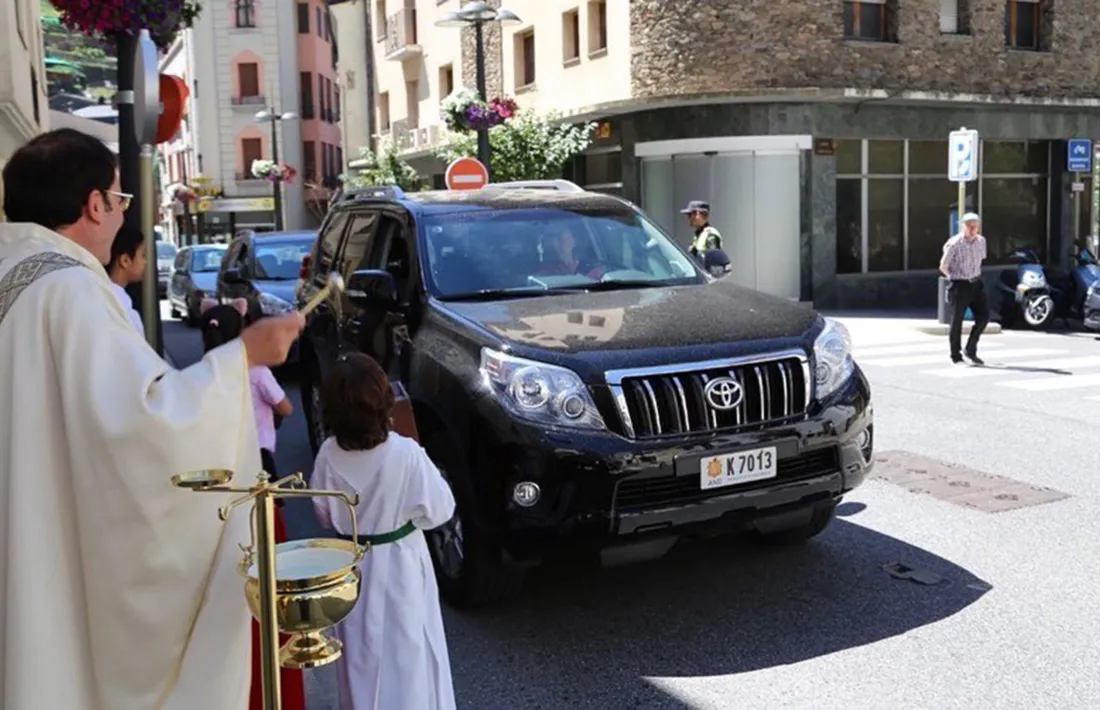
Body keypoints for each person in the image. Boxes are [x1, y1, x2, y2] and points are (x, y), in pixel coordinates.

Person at [0, 127, 304, 710]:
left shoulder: (18, 276)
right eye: (120, 199)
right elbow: (147, 432)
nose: (121, 213)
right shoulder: (69, 291)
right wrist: (244, 355)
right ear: (95, 205)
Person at [311, 353, 457, 710]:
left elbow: (324, 515)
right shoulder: (406, 453)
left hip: (352, 569)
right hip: (402, 565)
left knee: (360, 655)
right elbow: (442, 509)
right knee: (408, 650)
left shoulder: (328, 455)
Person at [198, 298, 305, 710]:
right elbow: (286, 406)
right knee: (269, 566)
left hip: (223, 472)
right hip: (258, 464)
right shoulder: (257, 372)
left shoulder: (200, 377)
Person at [940, 212, 990, 365]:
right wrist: (953, 279)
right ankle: (955, 355)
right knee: (957, 321)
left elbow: (981, 259)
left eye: (975, 226)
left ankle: (970, 348)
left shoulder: (981, 241)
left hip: (976, 282)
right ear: (963, 226)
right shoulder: (954, 243)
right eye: (969, 226)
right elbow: (943, 266)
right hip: (960, 284)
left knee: (983, 317)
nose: (973, 229)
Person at [104, 224, 148, 336]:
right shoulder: (122, 309)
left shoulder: (100, 292)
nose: (145, 262)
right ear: (125, 261)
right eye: (143, 255)